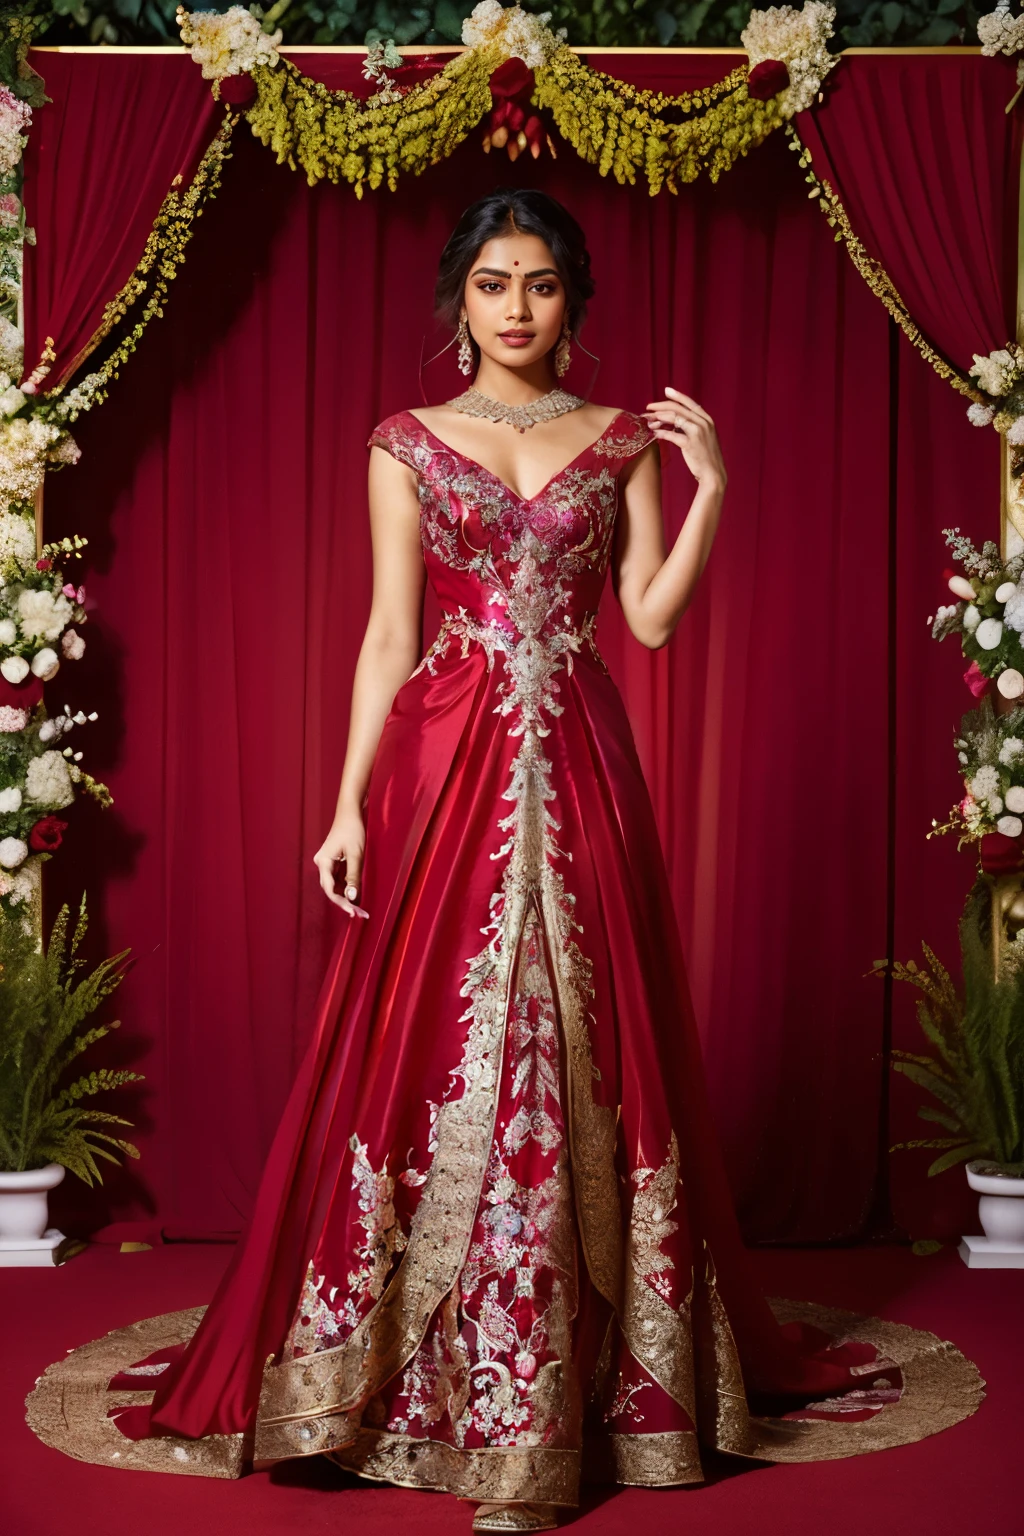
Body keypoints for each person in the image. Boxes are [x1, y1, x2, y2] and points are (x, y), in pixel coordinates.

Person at [30, 188, 980, 1531]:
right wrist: (349, 800)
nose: (517, 307)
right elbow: (383, 634)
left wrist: (715, 489)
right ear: (458, 298)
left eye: (539, 283)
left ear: (572, 299)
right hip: (444, 764)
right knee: (427, 1042)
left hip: (580, 760)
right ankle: (418, 1391)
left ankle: (573, 1406)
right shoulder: (405, 445)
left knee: (588, 1033)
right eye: (492, 283)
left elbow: (646, 620)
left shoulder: (620, 442)